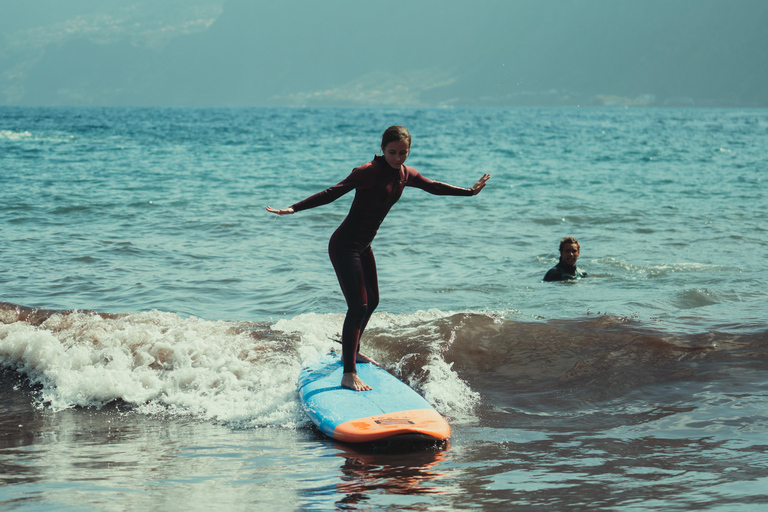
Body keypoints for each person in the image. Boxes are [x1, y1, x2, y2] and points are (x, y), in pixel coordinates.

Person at [267, 125, 490, 391]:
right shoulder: (368, 172)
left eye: (403, 153)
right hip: (344, 245)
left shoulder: (406, 174)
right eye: (392, 152)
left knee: (372, 301)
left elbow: (433, 187)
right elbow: (333, 192)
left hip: (363, 246)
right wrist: (295, 208)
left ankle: (353, 352)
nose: (397, 158)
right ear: (382, 149)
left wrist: (469, 191)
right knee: (358, 306)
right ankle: (348, 372)